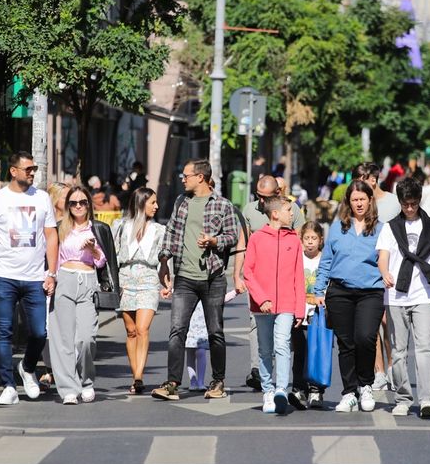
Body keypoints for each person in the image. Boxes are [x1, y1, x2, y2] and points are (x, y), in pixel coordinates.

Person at [0, 151, 58, 405]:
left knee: (39, 333)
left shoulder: (42, 199)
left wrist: (51, 272)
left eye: (34, 169)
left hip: (35, 278)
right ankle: (8, 385)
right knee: (4, 333)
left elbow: (51, 235)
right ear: (13, 171)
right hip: (4, 276)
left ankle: (28, 367)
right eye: (28, 168)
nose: (33, 172)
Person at [152, 159, 238, 401]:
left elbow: (233, 236)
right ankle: (172, 383)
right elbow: (171, 233)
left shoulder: (222, 205)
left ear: (200, 177)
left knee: (215, 332)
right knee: (177, 330)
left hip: (213, 278)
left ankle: (218, 381)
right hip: (185, 278)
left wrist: (214, 241)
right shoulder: (182, 202)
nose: (182, 179)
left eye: (186, 175)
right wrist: (163, 261)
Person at [377, 177, 430, 418]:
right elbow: (383, 255)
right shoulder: (390, 227)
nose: (410, 208)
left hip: (423, 295)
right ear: (399, 202)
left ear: (419, 201)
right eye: (405, 204)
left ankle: (427, 399)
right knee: (398, 351)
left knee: (424, 348)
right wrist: (384, 273)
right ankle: (402, 397)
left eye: (414, 203)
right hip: (396, 296)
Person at [314, 180, 384, 413]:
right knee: (346, 344)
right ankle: (349, 392)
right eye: (354, 200)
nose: (359, 204)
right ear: (349, 203)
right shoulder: (337, 228)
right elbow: (325, 262)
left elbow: (388, 261)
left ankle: (366, 385)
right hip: (339, 292)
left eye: (362, 199)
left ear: (370, 200)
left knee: (365, 338)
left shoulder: (381, 229)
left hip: (370, 292)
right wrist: (318, 291)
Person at [233, 175, 305, 392]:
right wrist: (237, 276)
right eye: (258, 196)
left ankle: (281, 388)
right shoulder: (249, 212)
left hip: (284, 293)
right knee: (259, 333)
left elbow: (299, 249)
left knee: (282, 342)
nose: (260, 200)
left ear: (277, 194)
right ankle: (261, 375)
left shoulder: (292, 212)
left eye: (265, 197)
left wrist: (300, 305)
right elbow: (242, 245)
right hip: (259, 286)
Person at [50, 185, 117, 404]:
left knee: (86, 339)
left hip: (88, 282)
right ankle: (68, 388)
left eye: (82, 202)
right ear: (67, 206)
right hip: (65, 280)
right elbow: (52, 257)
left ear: (89, 204)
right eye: (73, 203)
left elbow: (101, 262)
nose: (78, 206)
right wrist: (49, 277)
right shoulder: (60, 228)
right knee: (64, 340)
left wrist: (93, 250)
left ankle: (86, 381)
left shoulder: (97, 229)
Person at [115, 187, 166, 394]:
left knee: (143, 328)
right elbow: (114, 254)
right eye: (152, 202)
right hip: (125, 280)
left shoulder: (159, 230)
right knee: (131, 331)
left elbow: (164, 259)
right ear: (141, 203)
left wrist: (166, 282)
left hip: (148, 279)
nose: (157, 206)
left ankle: (138, 377)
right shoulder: (120, 226)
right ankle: (135, 374)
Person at [356, 162, 400, 391]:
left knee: (388, 324)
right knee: (370, 325)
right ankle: (379, 372)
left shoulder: (392, 202)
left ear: (374, 179)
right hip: (366, 271)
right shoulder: (358, 203)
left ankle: (393, 368)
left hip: (390, 269)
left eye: (364, 177)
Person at [39, 182, 71, 391]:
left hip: (67, 278)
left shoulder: (74, 223)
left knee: (67, 326)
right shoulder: (45, 224)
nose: (71, 201)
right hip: (45, 277)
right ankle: (49, 369)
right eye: (66, 197)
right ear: (54, 199)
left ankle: (63, 369)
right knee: (46, 327)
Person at [291, 221, 326, 409]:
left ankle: (316, 390)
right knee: (300, 352)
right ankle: (299, 388)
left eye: (314, 238)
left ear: (321, 240)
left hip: (318, 314)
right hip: (299, 312)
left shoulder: (324, 259)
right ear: (301, 240)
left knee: (317, 352)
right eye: (307, 238)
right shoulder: (298, 258)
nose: (310, 242)